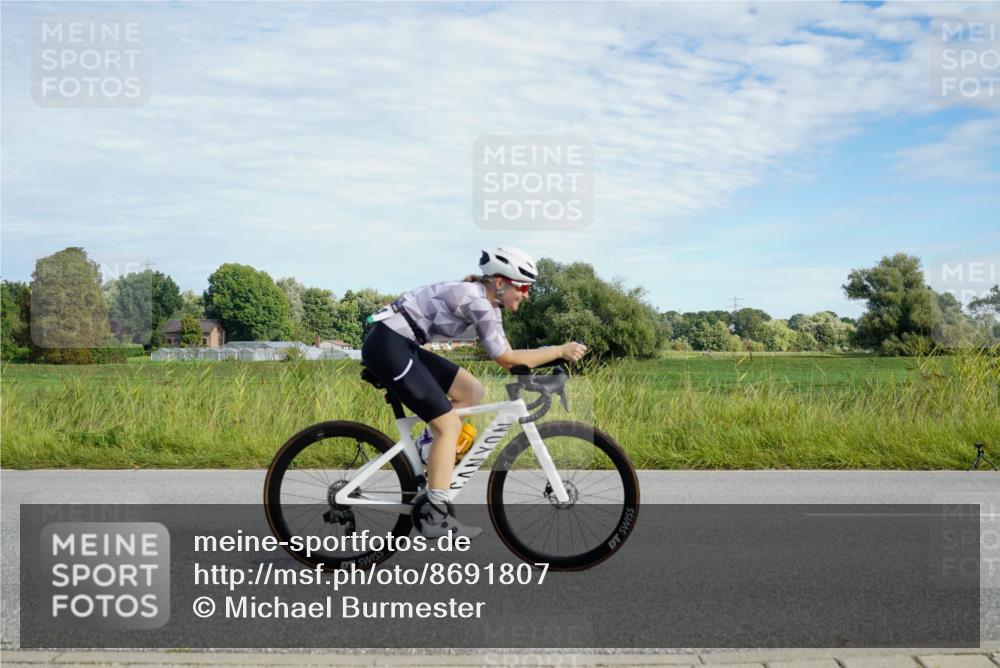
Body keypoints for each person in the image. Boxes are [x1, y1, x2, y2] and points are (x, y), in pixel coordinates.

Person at [361, 247, 588, 538]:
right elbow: (508, 360)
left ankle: (427, 454)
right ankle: (435, 516)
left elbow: (511, 356)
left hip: (401, 344)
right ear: (500, 282)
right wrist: (558, 350)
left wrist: (548, 358)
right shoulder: (479, 302)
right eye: (523, 287)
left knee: (471, 390)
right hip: (388, 346)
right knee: (448, 427)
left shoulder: (487, 303)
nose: (527, 295)